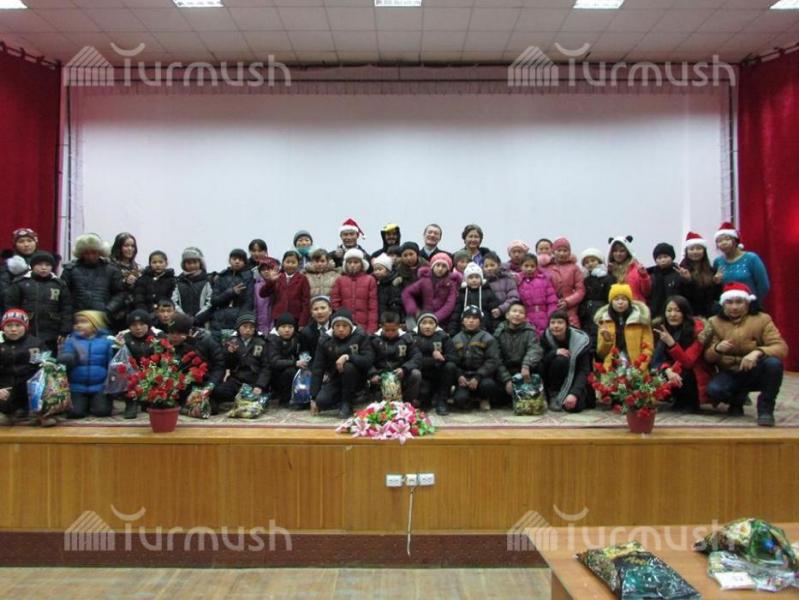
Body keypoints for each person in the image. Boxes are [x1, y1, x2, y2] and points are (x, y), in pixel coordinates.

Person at [704, 283, 788, 427]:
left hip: (755, 369)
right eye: (729, 302)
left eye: (739, 302)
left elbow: (781, 348)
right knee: (714, 390)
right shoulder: (713, 322)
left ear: (748, 303)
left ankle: (766, 409)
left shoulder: (762, 319)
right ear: (723, 304)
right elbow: (707, 357)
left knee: (774, 364)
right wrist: (717, 349)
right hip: (729, 372)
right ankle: (737, 399)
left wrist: (758, 352)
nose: (734, 307)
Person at [651, 296, 713, 412]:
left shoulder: (698, 331)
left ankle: (690, 403)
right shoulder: (662, 328)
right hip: (673, 370)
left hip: (694, 375)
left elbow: (688, 362)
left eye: (677, 310)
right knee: (657, 373)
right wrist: (667, 370)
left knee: (684, 372)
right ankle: (674, 399)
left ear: (685, 312)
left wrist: (671, 343)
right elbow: (657, 361)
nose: (672, 314)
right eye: (669, 310)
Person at [310, 308, 374, 418]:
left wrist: (348, 357)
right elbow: (318, 368)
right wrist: (314, 397)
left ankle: (347, 403)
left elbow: (368, 360)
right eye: (337, 326)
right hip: (336, 378)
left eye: (344, 326)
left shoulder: (360, 335)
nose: (341, 329)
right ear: (332, 327)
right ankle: (346, 398)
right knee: (322, 401)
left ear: (351, 327)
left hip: (357, 377)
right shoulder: (325, 340)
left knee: (348, 366)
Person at [4, 251, 72, 353]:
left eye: (47, 265)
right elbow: (11, 306)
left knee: (49, 358)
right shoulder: (20, 283)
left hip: (52, 332)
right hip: (26, 331)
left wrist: (65, 330)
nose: (44, 268)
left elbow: (66, 307)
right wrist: (13, 326)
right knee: (25, 356)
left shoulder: (59, 285)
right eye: (39, 264)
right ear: (32, 266)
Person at [59, 310, 115, 419]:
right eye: (77, 322)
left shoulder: (106, 341)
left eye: (83, 322)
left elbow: (111, 364)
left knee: (102, 411)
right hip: (76, 387)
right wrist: (69, 357)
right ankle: (84, 404)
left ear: (95, 324)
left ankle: (94, 402)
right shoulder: (71, 341)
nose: (78, 325)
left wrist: (109, 384)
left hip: (100, 386)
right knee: (75, 413)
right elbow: (62, 360)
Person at [212, 313, 270, 413]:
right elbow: (226, 365)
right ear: (238, 328)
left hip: (253, 381)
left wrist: (260, 385)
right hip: (236, 381)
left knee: (257, 401)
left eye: (251, 327)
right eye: (245, 327)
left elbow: (266, 367)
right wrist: (230, 353)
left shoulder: (261, 343)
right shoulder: (232, 342)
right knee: (217, 390)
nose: (248, 330)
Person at [61, 233, 126, 321]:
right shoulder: (70, 270)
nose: (90, 256)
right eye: (87, 253)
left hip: (103, 318)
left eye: (94, 252)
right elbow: (64, 295)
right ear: (81, 253)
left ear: (100, 252)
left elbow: (120, 293)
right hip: (77, 318)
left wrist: (108, 310)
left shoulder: (111, 270)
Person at [165, 313, 225, 404]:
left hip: (205, 380)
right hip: (183, 384)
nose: (174, 337)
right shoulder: (167, 344)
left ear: (188, 332)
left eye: (179, 333)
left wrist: (211, 384)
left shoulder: (206, 341)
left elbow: (219, 366)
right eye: (172, 333)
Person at [0, 309, 47, 426]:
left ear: (25, 327)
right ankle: (10, 413)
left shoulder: (36, 344)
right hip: (7, 386)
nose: (13, 329)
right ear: (3, 327)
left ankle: (40, 414)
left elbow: (44, 366)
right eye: (9, 325)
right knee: (4, 415)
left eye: (18, 325)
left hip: (31, 386)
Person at [540, 310, 592, 412]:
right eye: (552, 323)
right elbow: (541, 362)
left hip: (574, 378)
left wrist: (574, 393)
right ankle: (553, 395)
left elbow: (584, 370)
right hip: (553, 381)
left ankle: (569, 394)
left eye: (560, 322)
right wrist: (554, 353)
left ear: (567, 325)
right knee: (560, 360)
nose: (556, 326)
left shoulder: (580, 341)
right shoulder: (545, 338)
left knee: (574, 407)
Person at [594, 283, 654, 372]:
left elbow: (648, 349)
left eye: (624, 299)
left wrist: (639, 369)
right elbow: (601, 354)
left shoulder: (641, 320)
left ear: (629, 301)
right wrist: (607, 341)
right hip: (611, 372)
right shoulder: (604, 321)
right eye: (616, 299)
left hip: (637, 370)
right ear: (611, 302)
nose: (620, 302)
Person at [114, 309, 162, 419]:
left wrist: (151, 371)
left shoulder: (157, 337)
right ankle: (131, 402)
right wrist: (119, 347)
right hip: (132, 372)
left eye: (142, 324)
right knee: (123, 370)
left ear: (148, 325)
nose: (138, 328)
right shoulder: (124, 338)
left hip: (151, 369)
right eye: (134, 325)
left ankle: (150, 399)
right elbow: (119, 361)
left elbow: (160, 358)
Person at [451, 305, 500, 411]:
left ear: (480, 321)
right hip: (464, 377)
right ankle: (470, 399)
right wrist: (459, 375)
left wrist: (478, 377)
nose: (471, 321)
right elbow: (453, 361)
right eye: (468, 318)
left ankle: (484, 398)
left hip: (482, 377)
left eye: (475, 318)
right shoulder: (455, 339)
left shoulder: (488, 338)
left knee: (488, 385)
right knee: (460, 401)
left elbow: (492, 360)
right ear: (463, 321)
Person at [369, 311, 422, 406]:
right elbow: (367, 359)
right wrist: (372, 374)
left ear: (399, 326)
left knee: (416, 374)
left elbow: (417, 356)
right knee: (381, 405)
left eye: (393, 330)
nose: (390, 333)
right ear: (381, 327)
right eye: (387, 330)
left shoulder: (407, 338)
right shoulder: (374, 340)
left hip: (401, 375)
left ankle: (409, 402)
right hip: (381, 376)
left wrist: (404, 369)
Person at [494, 302, 543, 405]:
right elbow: (496, 358)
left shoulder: (530, 331)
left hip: (524, 369)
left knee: (540, 365)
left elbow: (535, 350)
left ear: (525, 317)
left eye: (521, 312)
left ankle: (540, 396)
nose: (517, 314)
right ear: (507, 315)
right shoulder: (499, 333)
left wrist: (526, 365)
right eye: (514, 311)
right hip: (506, 370)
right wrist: (507, 379)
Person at [712, 222, 770, 307]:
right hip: (728, 308)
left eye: (727, 239)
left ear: (735, 241)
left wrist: (754, 303)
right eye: (719, 241)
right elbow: (716, 290)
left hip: (750, 305)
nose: (723, 243)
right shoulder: (718, 262)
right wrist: (715, 282)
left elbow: (763, 286)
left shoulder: (751, 258)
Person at [401, 252, 461, 332]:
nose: (440, 269)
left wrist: (435, 317)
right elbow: (407, 293)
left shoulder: (451, 283)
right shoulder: (425, 280)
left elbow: (449, 304)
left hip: (441, 321)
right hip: (422, 317)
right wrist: (414, 310)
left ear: (448, 269)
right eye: (437, 265)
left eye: (444, 266)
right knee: (411, 322)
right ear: (432, 266)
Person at [413, 312, 457, 415]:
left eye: (431, 323)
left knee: (450, 366)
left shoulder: (444, 337)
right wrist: (433, 360)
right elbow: (413, 359)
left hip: (439, 375)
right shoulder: (413, 338)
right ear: (419, 325)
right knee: (424, 399)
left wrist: (443, 357)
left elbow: (455, 357)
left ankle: (442, 401)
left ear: (436, 326)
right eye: (424, 323)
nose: (427, 326)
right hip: (423, 375)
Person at [330, 248, 378, 334]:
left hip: (364, 326)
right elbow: (335, 302)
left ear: (362, 264)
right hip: (344, 327)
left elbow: (373, 307)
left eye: (356, 262)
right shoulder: (340, 280)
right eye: (349, 262)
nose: (352, 265)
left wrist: (371, 329)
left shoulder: (370, 280)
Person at [259, 250, 311, 329]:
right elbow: (262, 294)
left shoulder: (303, 279)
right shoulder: (277, 277)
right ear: (283, 263)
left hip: (296, 317)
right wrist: (271, 281)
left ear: (298, 264)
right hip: (279, 316)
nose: (290, 265)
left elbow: (306, 302)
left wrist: (302, 322)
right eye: (287, 262)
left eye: (293, 262)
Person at [209, 248, 254, 338]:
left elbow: (249, 302)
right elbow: (214, 301)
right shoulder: (221, 277)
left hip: (238, 319)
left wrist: (241, 320)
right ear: (229, 260)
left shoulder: (249, 278)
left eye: (240, 259)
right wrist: (231, 292)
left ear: (245, 262)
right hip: (219, 318)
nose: (237, 261)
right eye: (234, 259)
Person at [677, 232, 721, 318]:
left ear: (704, 251)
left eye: (698, 248)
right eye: (691, 249)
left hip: (708, 314)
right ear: (686, 252)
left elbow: (715, 297)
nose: (695, 252)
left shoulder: (712, 270)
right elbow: (682, 296)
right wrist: (688, 280)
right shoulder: (681, 270)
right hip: (689, 315)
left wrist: (717, 284)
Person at [578, 248, 613, 351]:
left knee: (601, 338)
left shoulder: (607, 278)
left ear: (599, 261)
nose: (590, 264)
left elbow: (610, 298)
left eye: (593, 260)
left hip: (602, 312)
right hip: (587, 315)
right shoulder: (584, 280)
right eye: (586, 262)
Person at [450, 262, 500, 335]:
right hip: (465, 330)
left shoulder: (488, 292)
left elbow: (494, 314)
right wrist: (452, 330)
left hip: (485, 330)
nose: (474, 280)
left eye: (477, 277)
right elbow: (456, 314)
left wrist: (495, 331)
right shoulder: (462, 294)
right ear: (466, 280)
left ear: (481, 278)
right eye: (470, 277)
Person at [267, 312, 305, 406]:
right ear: (277, 328)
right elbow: (274, 362)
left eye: (290, 327)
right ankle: (284, 399)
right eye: (283, 327)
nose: (287, 330)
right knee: (290, 371)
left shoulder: (297, 338)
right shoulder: (272, 340)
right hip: (275, 375)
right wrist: (294, 363)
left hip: (294, 370)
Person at [517, 253, 558, 336]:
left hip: (544, 316)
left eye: (532, 266)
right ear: (521, 267)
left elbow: (552, 301)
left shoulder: (544, 280)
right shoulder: (518, 282)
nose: (529, 269)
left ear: (536, 267)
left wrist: (551, 316)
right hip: (527, 318)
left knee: (545, 337)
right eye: (526, 266)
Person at [548, 238, 585, 328]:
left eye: (565, 251)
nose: (562, 253)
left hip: (571, 310)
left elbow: (580, 290)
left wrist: (567, 301)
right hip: (551, 308)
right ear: (553, 252)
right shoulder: (547, 268)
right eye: (559, 250)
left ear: (569, 252)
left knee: (573, 332)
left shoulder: (574, 268)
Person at [172, 247, 212, 325]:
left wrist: (199, 316)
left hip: (203, 321)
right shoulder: (178, 282)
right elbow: (174, 301)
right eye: (189, 263)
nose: (192, 265)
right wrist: (184, 316)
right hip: (182, 321)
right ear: (184, 264)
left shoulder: (207, 281)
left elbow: (209, 301)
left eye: (195, 262)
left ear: (200, 263)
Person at [109, 232, 141, 330]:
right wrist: (125, 283)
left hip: (134, 312)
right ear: (119, 247)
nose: (130, 249)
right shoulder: (110, 266)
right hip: (115, 312)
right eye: (126, 246)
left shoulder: (138, 268)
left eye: (132, 246)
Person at [606, 235, 651, 302]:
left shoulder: (637, 268)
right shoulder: (608, 270)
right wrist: (609, 274)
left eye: (622, 251)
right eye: (615, 251)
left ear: (628, 252)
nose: (618, 254)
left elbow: (647, 292)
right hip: (616, 306)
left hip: (635, 305)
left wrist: (644, 276)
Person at [647, 242, 682, 321]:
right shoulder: (651, 275)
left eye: (665, 257)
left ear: (672, 257)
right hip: (655, 313)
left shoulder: (678, 273)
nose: (663, 260)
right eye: (659, 258)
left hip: (674, 311)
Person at [482, 251, 520, 322]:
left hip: (505, 317)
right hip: (487, 319)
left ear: (499, 265)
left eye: (492, 265)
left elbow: (513, 298)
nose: (489, 268)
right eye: (486, 266)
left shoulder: (508, 279)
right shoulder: (481, 282)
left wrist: (501, 309)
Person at [372, 253, 403, 319]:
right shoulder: (375, 282)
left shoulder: (394, 283)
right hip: (379, 316)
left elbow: (396, 302)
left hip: (391, 317)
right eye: (375, 270)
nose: (377, 272)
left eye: (380, 269)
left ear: (388, 271)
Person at [253, 257, 279, 335]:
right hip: (260, 325)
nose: (266, 271)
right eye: (263, 269)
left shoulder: (280, 284)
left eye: (269, 269)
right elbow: (255, 307)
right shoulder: (256, 286)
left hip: (276, 324)